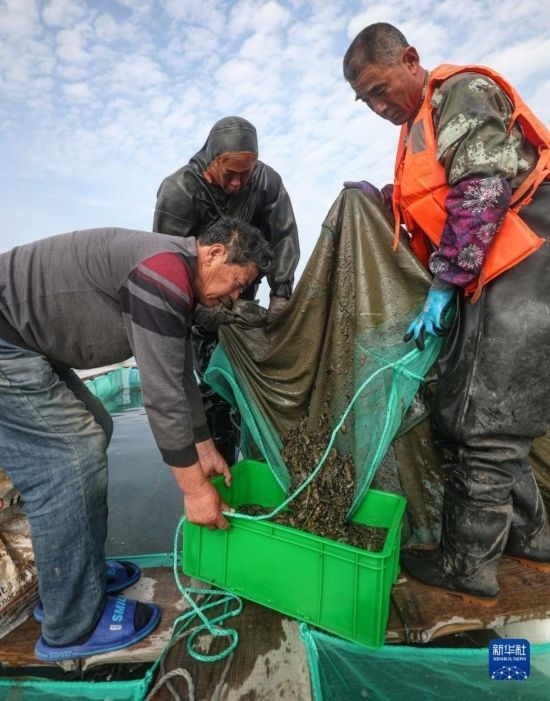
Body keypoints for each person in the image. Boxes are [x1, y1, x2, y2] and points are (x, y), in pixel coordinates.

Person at [343, 22, 550, 603]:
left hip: (526, 265)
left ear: (410, 59)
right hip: (496, 276)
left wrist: (444, 282)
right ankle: (531, 534)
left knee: (478, 423)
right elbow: (436, 196)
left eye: (380, 90)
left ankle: (467, 564)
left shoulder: (460, 93)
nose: (378, 107)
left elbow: (482, 189)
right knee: (486, 414)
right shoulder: (418, 126)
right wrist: (381, 200)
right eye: (366, 101)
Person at [0, 216, 271, 660]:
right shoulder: (162, 273)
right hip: (7, 340)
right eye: (238, 283)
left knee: (97, 428)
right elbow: (161, 396)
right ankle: (71, 624)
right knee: (70, 459)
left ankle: (80, 576)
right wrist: (194, 490)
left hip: (26, 343)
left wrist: (204, 447)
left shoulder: (177, 277)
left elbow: (178, 373)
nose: (236, 297)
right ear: (215, 253)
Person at [153, 116, 300, 464]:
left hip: (242, 297)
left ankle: (260, 460)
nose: (237, 183)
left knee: (259, 380)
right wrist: (199, 312)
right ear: (212, 160)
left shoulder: (265, 182)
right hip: (199, 303)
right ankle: (220, 465)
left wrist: (280, 294)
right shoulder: (180, 191)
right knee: (214, 391)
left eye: (244, 174)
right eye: (229, 173)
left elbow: (284, 237)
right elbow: (166, 263)